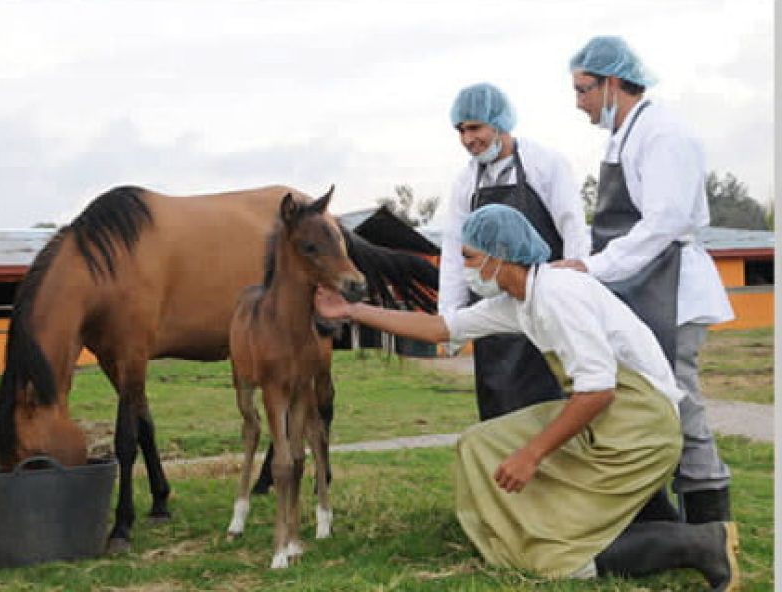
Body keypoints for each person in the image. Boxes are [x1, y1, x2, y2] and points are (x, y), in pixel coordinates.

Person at [315, 203, 739, 590]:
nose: (463, 268)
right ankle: (524, 531)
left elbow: (597, 390)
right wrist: (351, 311)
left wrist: (531, 454)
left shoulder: (558, 295)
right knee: (480, 444)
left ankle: (701, 543)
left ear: (499, 255)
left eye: (469, 257)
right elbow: (441, 328)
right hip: (612, 417)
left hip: (640, 428)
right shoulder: (520, 299)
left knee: (555, 556)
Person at [557, 35, 735, 524]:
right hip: (639, 287)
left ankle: (712, 524)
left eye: (583, 90)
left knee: (681, 404)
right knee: (647, 405)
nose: (580, 104)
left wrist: (594, 268)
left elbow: (664, 222)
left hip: (672, 288)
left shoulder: (662, 133)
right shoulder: (625, 135)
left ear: (613, 82)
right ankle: (660, 519)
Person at [440, 82, 590, 422]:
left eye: (474, 127)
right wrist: (450, 318)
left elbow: (574, 231)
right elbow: (453, 253)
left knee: (548, 409)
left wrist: (576, 296)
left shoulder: (545, 164)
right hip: (491, 313)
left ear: (499, 123)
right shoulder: (466, 183)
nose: (467, 139)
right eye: (460, 130)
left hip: (544, 308)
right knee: (498, 412)